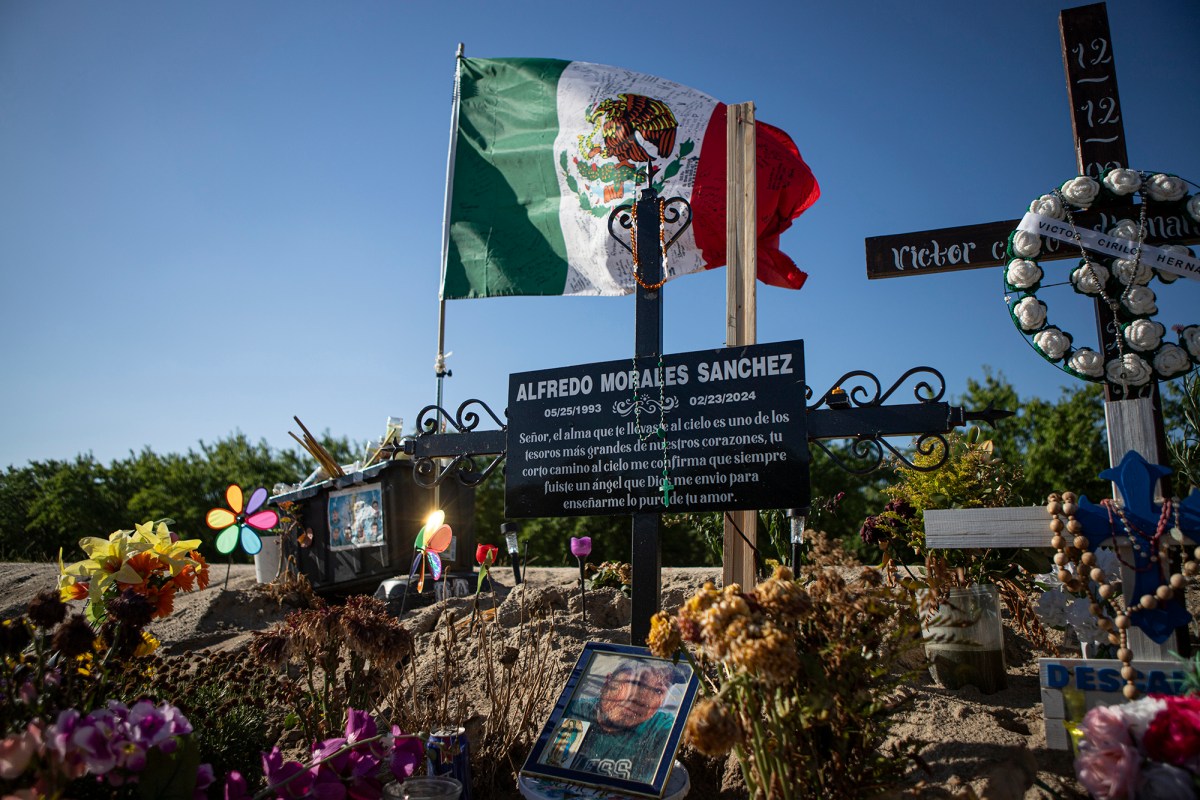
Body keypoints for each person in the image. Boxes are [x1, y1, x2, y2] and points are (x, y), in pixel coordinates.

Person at [553, 660, 679, 783]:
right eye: (636, 683)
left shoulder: (663, 728)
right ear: (608, 682)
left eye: (658, 691)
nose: (642, 699)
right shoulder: (573, 712)